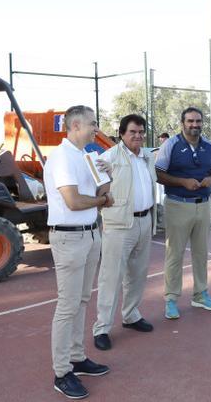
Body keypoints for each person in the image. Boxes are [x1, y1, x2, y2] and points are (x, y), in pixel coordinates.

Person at [44, 105, 113, 399]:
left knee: (82, 300)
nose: (96, 129)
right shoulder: (61, 157)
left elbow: (103, 193)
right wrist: (101, 201)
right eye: (91, 124)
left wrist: (107, 179)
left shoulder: (88, 155)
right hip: (69, 238)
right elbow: (72, 201)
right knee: (68, 305)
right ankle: (62, 372)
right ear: (74, 126)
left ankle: (76, 357)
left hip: (89, 234)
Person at [92, 114, 157, 352]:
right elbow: (96, 188)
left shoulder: (147, 156)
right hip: (119, 225)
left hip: (144, 221)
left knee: (138, 274)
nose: (138, 136)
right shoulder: (108, 157)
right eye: (133, 132)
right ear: (121, 134)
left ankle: (131, 316)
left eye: (141, 132)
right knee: (111, 278)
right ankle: (102, 328)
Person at [154, 107, 211, 319]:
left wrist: (210, 180)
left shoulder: (209, 145)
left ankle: (200, 294)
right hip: (177, 204)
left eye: (198, 121)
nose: (195, 125)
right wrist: (182, 181)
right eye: (190, 121)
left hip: (204, 204)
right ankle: (171, 299)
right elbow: (159, 173)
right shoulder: (171, 145)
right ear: (182, 123)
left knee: (201, 253)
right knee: (175, 253)